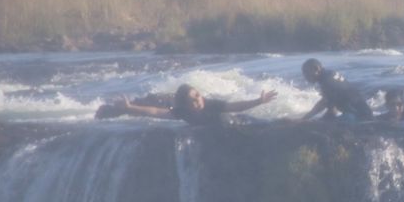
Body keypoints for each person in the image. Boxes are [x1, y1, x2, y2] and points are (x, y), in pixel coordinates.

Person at [96, 83, 277, 124]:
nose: (198, 101)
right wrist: (130, 108)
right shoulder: (183, 113)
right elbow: (156, 112)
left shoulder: (210, 103)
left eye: (197, 96)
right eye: (192, 101)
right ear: (185, 106)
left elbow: (235, 106)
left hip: (240, 121)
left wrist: (258, 101)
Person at [300, 58, 373, 121]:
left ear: (316, 68)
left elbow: (332, 111)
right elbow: (325, 102)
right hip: (365, 112)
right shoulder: (330, 74)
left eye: (306, 72)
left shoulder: (326, 83)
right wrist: (307, 118)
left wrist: (309, 121)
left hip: (358, 117)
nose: (305, 76)